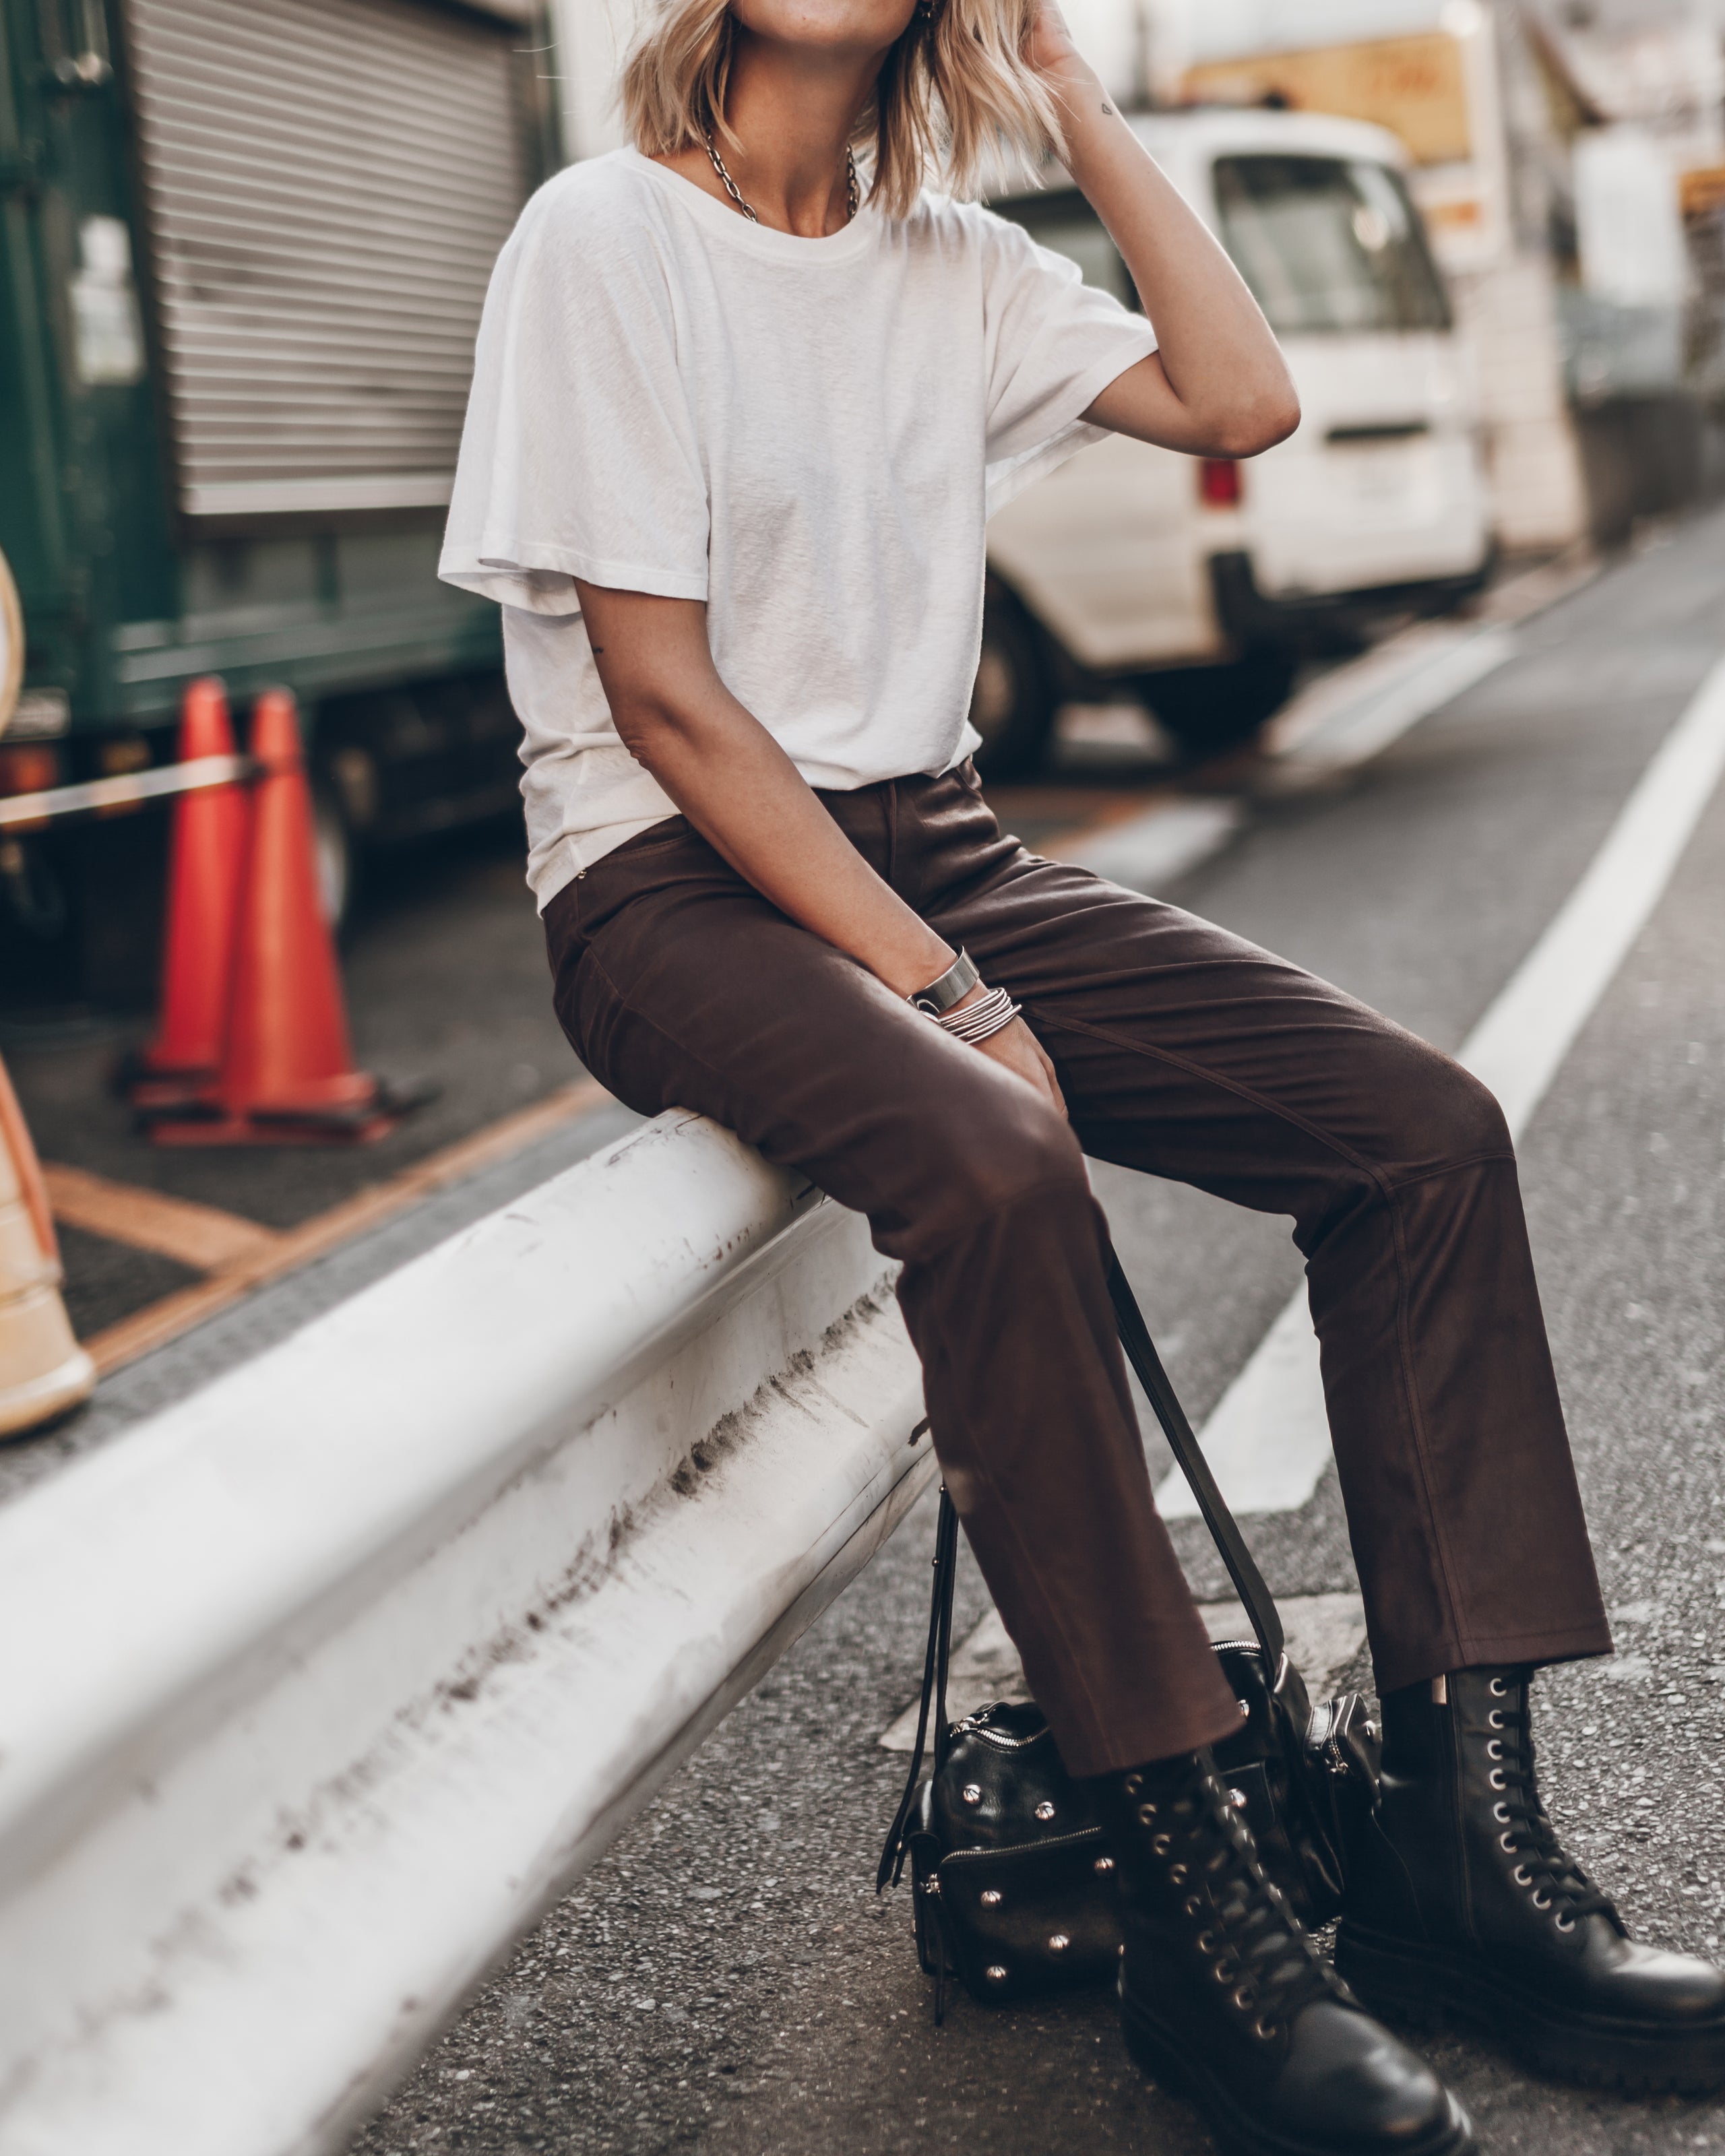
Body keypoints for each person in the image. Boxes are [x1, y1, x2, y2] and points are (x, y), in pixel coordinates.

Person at [441, 1, 1725, 2147]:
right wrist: (945, 995)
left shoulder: (950, 260)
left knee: (1421, 1137)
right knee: (997, 1159)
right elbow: (656, 696)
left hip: (933, 836)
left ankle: (1456, 1860)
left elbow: (1243, 391)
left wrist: (1075, 95)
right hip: (668, 882)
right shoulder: (603, 238)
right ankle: (1200, 1916)